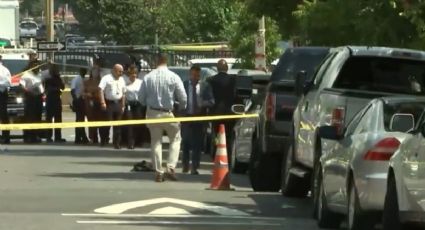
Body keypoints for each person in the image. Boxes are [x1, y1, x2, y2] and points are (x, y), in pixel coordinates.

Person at [139, 54, 187, 182]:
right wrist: (181, 107)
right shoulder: (174, 76)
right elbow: (183, 97)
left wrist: (147, 103)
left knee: (156, 142)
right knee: (176, 139)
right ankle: (171, 167)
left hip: (152, 113)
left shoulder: (148, 77)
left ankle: (158, 171)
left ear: (156, 61)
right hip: (168, 112)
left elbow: (140, 98)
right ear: (167, 62)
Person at [181, 65, 215, 175]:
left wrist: (202, 104)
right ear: (190, 74)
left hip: (199, 117)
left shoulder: (205, 86)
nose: (196, 77)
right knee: (185, 141)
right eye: (194, 75)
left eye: (198, 75)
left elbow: (211, 101)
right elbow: (178, 98)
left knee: (197, 144)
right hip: (187, 116)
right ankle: (185, 165)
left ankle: (194, 167)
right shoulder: (184, 85)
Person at [207, 59, 237, 158]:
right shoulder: (233, 80)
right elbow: (236, 96)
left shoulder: (211, 80)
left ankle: (216, 151)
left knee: (216, 133)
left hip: (215, 113)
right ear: (227, 68)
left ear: (217, 68)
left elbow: (207, 96)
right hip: (229, 113)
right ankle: (226, 152)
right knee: (228, 134)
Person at [98, 64, 126, 149]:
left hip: (118, 104)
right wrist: (102, 102)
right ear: (114, 70)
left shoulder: (122, 79)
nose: (121, 73)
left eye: (122, 71)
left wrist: (123, 105)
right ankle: (103, 140)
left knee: (118, 125)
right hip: (109, 103)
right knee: (107, 124)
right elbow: (100, 89)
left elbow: (124, 93)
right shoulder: (106, 78)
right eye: (119, 71)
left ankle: (117, 143)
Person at [21, 61, 44, 143]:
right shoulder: (26, 75)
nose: (37, 67)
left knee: (38, 116)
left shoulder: (40, 74)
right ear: (31, 66)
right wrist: (29, 91)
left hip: (39, 97)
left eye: (38, 66)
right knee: (30, 117)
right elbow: (22, 86)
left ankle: (36, 135)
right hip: (30, 98)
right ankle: (28, 135)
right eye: (35, 65)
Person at [44, 64, 66, 143]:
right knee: (49, 119)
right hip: (50, 100)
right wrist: (57, 88)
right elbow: (48, 89)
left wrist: (61, 81)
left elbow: (63, 87)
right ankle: (49, 137)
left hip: (56, 99)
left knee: (58, 119)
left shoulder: (58, 78)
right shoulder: (48, 79)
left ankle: (58, 137)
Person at [123, 65, 143, 149]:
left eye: (135, 73)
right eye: (132, 73)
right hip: (129, 105)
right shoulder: (125, 82)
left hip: (138, 105)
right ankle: (130, 143)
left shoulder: (140, 82)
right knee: (130, 124)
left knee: (138, 124)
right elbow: (123, 94)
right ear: (129, 74)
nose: (133, 75)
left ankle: (138, 141)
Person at [83, 69, 102, 144]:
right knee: (91, 119)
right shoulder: (86, 82)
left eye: (97, 71)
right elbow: (82, 92)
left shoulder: (101, 82)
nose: (95, 73)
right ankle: (92, 137)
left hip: (99, 102)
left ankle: (102, 137)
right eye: (94, 71)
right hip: (89, 103)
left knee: (99, 120)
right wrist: (88, 94)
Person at [71, 68, 89, 144]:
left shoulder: (84, 79)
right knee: (79, 119)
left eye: (85, 70)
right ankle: (80, 137)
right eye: (83, 70)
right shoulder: (76, 79)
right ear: (80, 71)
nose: (84, 72)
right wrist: (75, 100)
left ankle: (80, 137)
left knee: (80, 119)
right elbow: (72, 90)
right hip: (78, 100)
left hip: (82, 101)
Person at [0, 55, 11, 144]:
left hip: (2, 94)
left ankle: (6, 136)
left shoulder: (4, 70)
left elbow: (8, 83)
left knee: (3, 115)